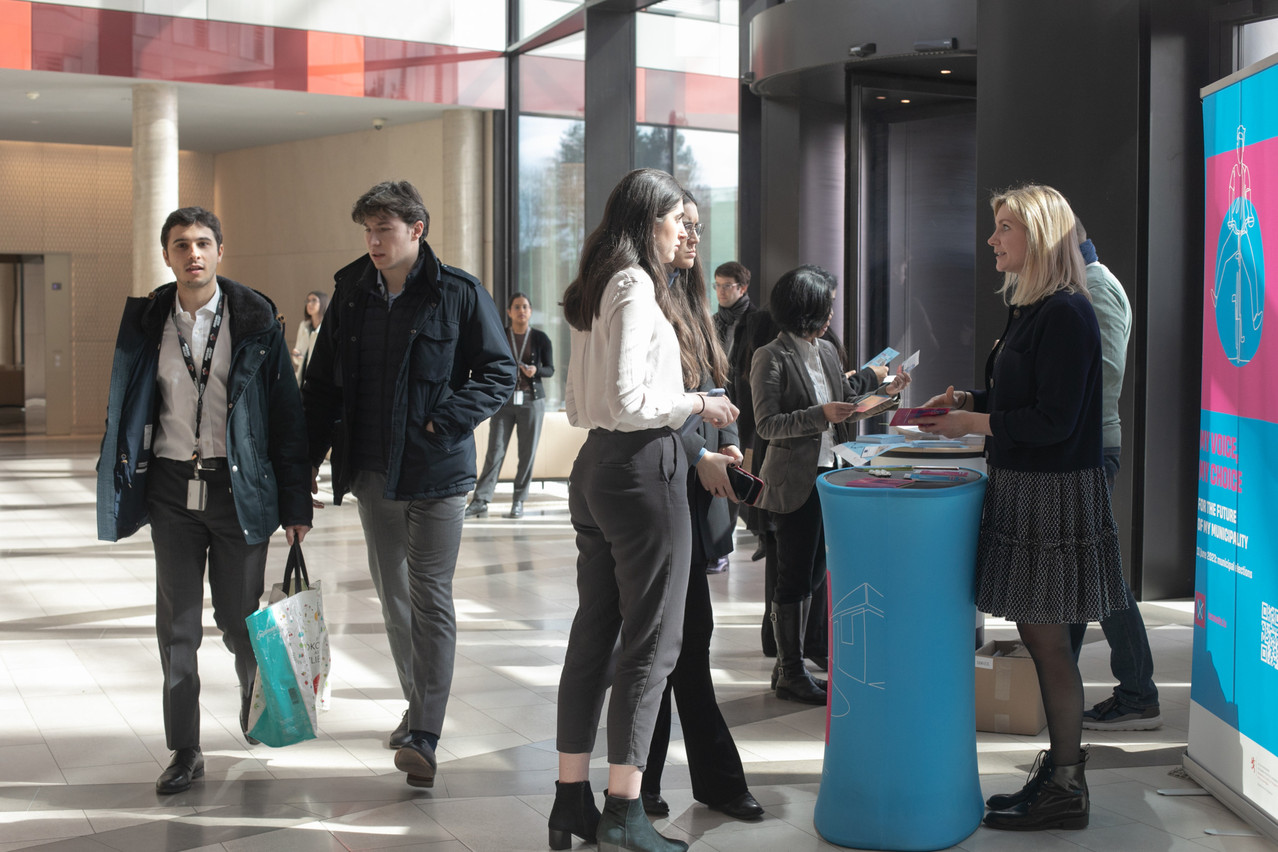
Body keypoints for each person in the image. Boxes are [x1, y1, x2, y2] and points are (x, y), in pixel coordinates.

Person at [915, 184, 1127, 831]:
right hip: (1031, 486)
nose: (992, 239)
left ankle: (1066, 784)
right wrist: (970, 398)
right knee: (1044, 642)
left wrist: (973, 421)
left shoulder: (1066, 312)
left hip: (1051, 493)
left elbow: (1053, 421)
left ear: (1035, 236)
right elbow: (1026, 394)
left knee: (1049, 644)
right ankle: (1062, 776)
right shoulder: (1035, 308)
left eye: (1004, 227)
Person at [302, 180, 516, 787]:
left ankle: (425, 729)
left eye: (384, 230)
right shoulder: (350, 293)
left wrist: (444, 420)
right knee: (395, 598)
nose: (373, 241)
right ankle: (415, 705)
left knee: (430, 595)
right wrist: (304, 469)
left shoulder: (458, 292)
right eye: (367, 230)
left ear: (416, 230)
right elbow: (322, 389)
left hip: (437, 472)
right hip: (373, 474)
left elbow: (499, 371)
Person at [549, 168, 738, 852]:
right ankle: (625, 813)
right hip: (641, 468)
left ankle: (571, 799)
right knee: (654, 643)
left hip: (596, 464)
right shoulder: (634, 286)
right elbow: (633, 402)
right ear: (644, 220)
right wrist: (699, 403)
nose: (683, 229)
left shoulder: (597, 286)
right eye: (674, 218)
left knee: (594, 636)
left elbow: (578, 404)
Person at [96, 206, 313, 794]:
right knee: (178, 627)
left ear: (220, 251)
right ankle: (185, 747)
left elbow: (287, 422)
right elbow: (127, 407)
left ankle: (256, 695)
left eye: (203, 243)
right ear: (166, 255)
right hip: (169, 490)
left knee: (241, 620)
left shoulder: (255, 321)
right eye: (180, 244)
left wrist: (297, 505)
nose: (193, 253)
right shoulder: (148, 324)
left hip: (237, 489)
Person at [640, 192, 763, 822]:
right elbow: (645, 407)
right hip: (656, 488)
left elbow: (706, 389)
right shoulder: (637, 301)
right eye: (683, 224)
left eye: (697, 225)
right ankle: (658, 780)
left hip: (694, 488)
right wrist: (699, 454)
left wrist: (728, 441)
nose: (693, 235)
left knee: (688, 639)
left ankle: (668, 780)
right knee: (668, 642)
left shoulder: (689, 303)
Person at [751, 265, 907, 705]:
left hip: (832, 473)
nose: (832, 313)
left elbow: (847, 407)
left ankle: (790, 666)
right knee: (794, 576)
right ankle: (791, 671)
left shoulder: (826, 353)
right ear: (806, 308)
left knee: (816, 572)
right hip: (793, 480)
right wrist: (821, 415)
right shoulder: (771, 355)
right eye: (827, 305)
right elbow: (766, 425)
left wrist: (888, 394)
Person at [1068, 226, 1160, 730]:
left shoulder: (1096, 287)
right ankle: (1063, 684)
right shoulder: (1084, 284)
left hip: (1090, 449)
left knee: (1099, 573)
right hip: (1085, 447)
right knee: (1088, 572)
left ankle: (1139, 692)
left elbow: (1098, 381)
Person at [465, 292, 555, 519]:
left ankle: (519, 502)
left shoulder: (541, 338)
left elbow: (550, 369)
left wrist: (536, 372)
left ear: (530, 311)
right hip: (504, 403)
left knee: (527, 454)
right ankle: (481, 500)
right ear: (509, 312)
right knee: (495, 451)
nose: (521, 310)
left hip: (532, 402)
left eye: (525, 306)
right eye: (516, 306)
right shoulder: (500, 335)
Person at [712, 260, 758, 568]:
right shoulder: (713, 321)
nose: (720, 292)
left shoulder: (757, 321)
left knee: (743, 474)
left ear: (741, 288)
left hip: (748, 409)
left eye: (726, 286)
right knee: (722, 472)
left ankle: (740, 537)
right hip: (717, 405)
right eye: (716, 286)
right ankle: (719, 546)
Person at [292, 289, 329, 384]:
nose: (309, 303)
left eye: (314, 300)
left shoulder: (327, 328)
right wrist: (296, 355)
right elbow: (298, 360)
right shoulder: (303, 326)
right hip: (302, 377)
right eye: (308, 300)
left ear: (323, 302)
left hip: (319, 379)